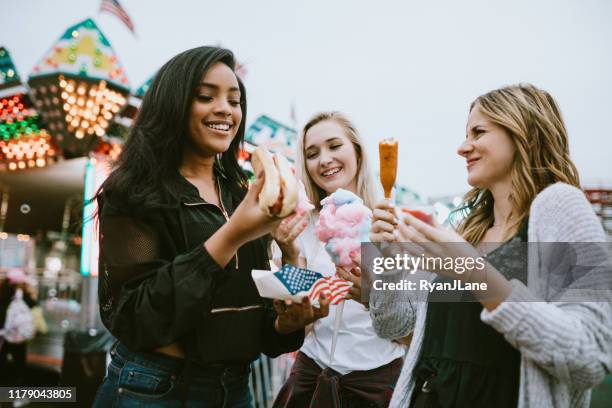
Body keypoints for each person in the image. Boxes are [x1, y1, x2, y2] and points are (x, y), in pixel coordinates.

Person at [92, 46, 329, 407]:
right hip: (154, 387)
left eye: (234, 101)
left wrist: (287, 315)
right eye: (206, 97)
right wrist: (231, 236)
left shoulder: (241, 194)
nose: (225, 110)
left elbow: (258, 317)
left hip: (235, 389)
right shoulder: (134, 191)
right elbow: (135, 316)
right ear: (173, 103)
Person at [369, 83, 612, 407]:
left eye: (478, 132)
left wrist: (471, 270)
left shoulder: (564, 207)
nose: (462, 147)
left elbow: (590, 359)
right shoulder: (466, 229)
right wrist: (388, 258)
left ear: (522, 131)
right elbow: (392, 325)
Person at [273, 112, 406, 407]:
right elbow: (294, 312)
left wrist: (379, 282)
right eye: (312, 153)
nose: (324, 159)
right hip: (312, 373)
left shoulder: (391, 225)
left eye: (334, 146)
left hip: (377, 379)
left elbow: (409, 328)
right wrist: (289, 253)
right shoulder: (302, 227)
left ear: (357, 151)